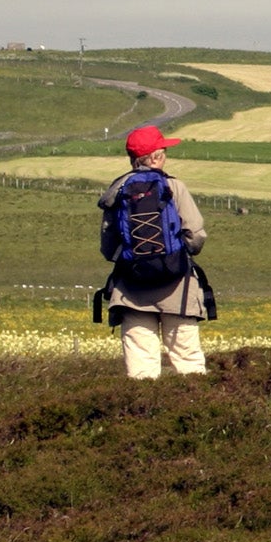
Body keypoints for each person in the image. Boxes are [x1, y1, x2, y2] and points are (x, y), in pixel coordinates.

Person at [97, 125, 213, 378]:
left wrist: (133, 259)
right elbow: (196, 234)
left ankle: (145, 413)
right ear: (156, 158)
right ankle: (195, 410)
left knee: (141, 367)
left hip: (131, 289)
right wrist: (179, 254)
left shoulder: (117, 191)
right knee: (187, 360)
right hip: (177, 286)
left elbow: (108, 247)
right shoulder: (174, 187)